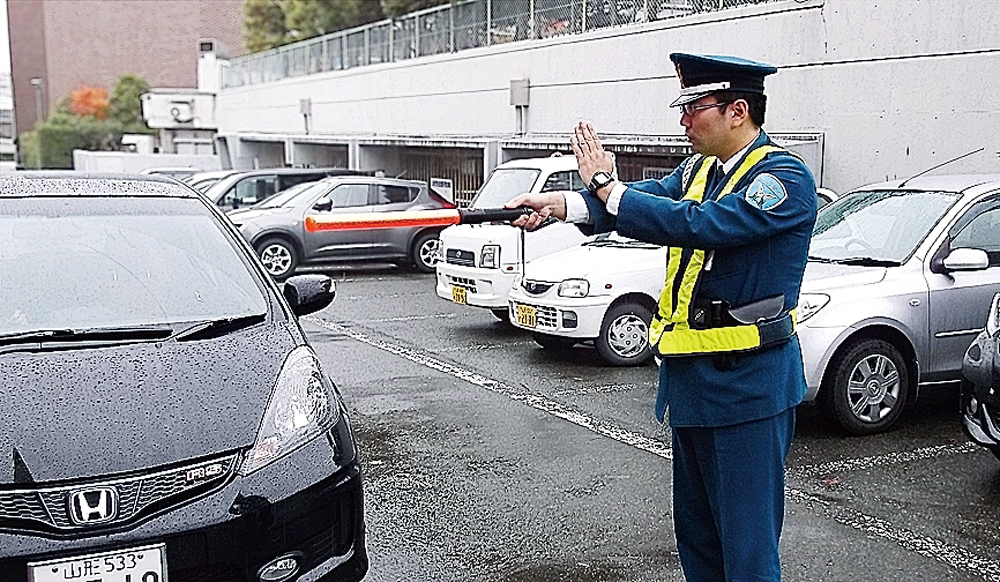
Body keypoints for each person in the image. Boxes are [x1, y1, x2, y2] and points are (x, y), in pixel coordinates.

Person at [508, 53, 817, 581]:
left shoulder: (783, 176)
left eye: (695, 107)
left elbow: (703, 224)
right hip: (692, 383)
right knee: (697, 541)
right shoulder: (701, 169)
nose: (684, 121)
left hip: (748, 386)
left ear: (737, 111)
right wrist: (563, 204)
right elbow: (646, 201)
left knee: (748, 550)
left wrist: (607, 182)